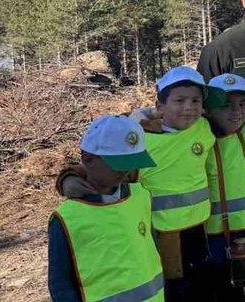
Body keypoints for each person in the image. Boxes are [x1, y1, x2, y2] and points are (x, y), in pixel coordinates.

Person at [48, 115, 163, 302]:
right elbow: (61, 284)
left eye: (132, 162)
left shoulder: (140, 195)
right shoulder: (66, 218)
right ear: (88, 158)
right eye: (118, 164)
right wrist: (67, 177)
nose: (125, 171)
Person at [136, 66, 216, 300]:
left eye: (195, 101)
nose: (189, 108)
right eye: (179, 100)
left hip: (200, 226)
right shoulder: (142, 138)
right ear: (160, 106)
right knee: (173, 289)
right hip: (162, 233)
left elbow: (238, 111)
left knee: (200, 286)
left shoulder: (203, 127)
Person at [201, 73, 245, 301]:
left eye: (242, 104)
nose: (236, 111)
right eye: (226, 105)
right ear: (207, 109)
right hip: (212, 236)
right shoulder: (196, 134)